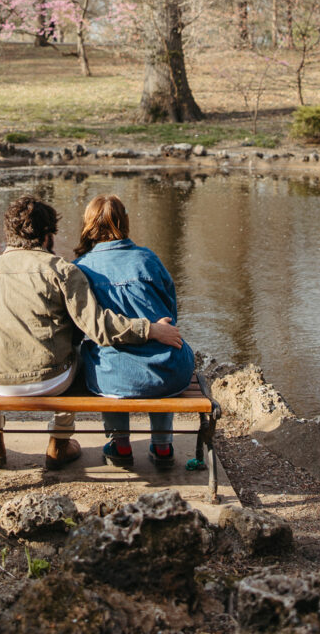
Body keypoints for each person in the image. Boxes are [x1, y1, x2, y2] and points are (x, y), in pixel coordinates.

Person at [0, 194, 183, 470]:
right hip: (51, 380)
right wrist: (149, 329)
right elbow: (97, 326)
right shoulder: (62, 270)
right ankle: (59, 442)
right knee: (76, 346)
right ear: (47, 236)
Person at [74, 194, 195, 470]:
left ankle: (121, 444)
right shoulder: (148, 259)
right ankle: (163, 447)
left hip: (115, 378)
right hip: (168, 374)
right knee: (167, 349)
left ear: (88, 225)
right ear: (124, 222)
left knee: (99, 353)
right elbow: (171, 314)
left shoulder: (80, 269)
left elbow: (81, 328)